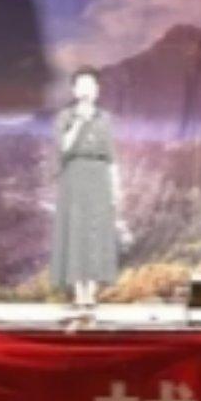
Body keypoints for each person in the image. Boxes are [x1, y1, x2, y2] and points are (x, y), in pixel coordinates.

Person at [50, 67, 124, 310]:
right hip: (74, 176)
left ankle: (91, 291)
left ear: (97, 90)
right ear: (74, 90)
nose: (86, 90)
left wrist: (115, 188)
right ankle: (78, 291)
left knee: (96, 231)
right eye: (81, 85)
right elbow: (63, 148)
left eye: (90, 85)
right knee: (76, 231)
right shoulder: (65, 117)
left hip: (99, 176)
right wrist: (78, 122)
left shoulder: (105, 118)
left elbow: (111, 156)